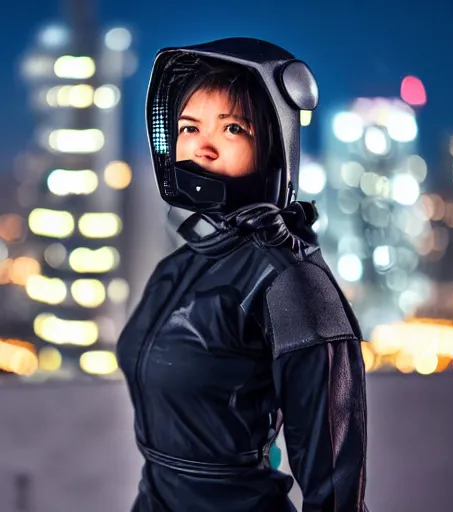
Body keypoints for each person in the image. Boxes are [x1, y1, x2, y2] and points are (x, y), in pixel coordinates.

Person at [117, 37, 369, 512]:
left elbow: (335, 491)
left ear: (273, 145)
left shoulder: (291, 282)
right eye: (189, 127)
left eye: (232, 128)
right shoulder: (180, 265)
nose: (202, 146)